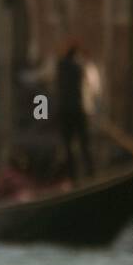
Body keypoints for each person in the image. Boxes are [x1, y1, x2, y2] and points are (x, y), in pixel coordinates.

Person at [56, 43, 95, 180]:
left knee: (68, 145)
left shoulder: (60, 67)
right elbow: (90, 88)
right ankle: (90, 173)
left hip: (65, 111)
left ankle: (73, 176)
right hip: (77, 110)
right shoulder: (80, 68)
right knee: (84, 143)